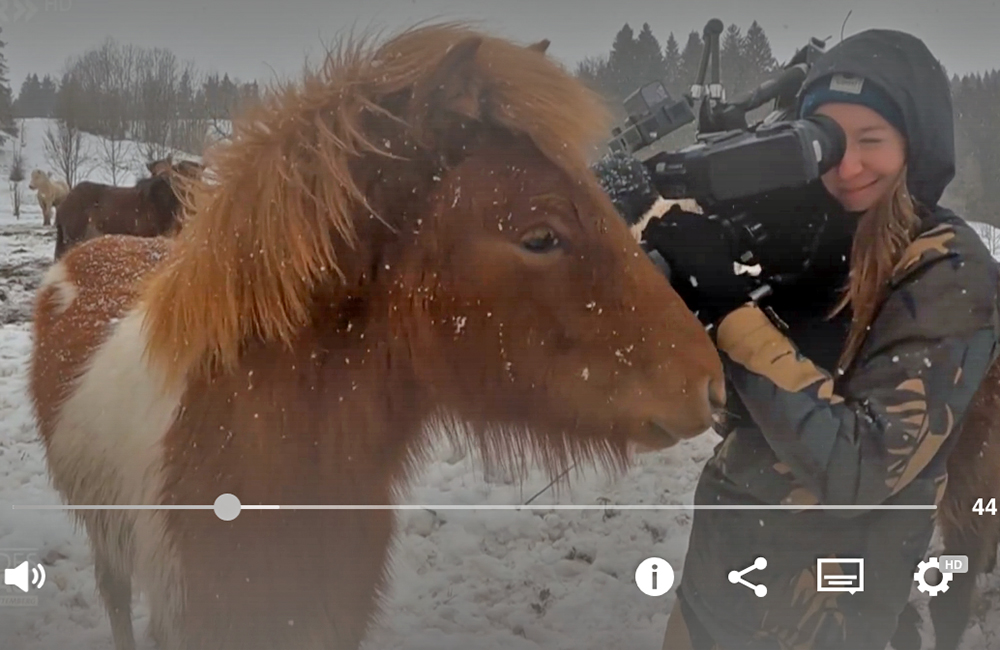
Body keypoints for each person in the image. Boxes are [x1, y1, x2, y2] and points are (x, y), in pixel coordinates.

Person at [640, 29, 1000, 650]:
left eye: (872, 140)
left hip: (825, 623)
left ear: (918, 145)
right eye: (826, 141)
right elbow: (747, 420)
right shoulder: (826, 239)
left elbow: (860, 468)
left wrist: (730, 309)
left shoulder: (949, 270)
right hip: (716, 593)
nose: (848, 166)